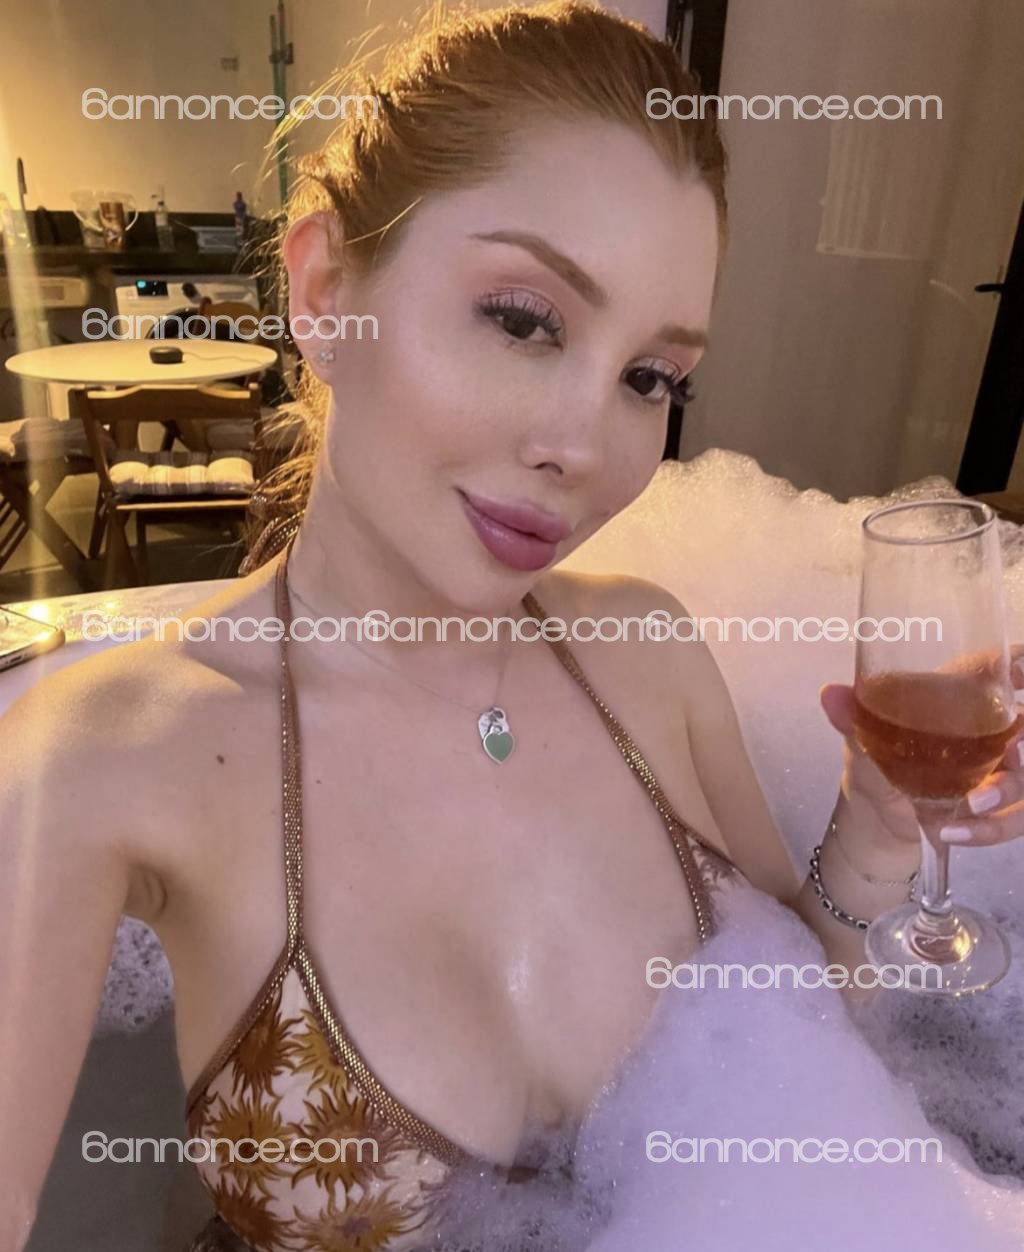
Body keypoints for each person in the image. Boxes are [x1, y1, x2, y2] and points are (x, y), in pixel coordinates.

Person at [3, 3, 1023, 1249]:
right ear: (324, 293)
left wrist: (872, 832)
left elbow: (804, 1042)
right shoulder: (105, 752)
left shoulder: (648, 650)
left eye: (650, 377)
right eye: (524, 320)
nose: (583, 445)